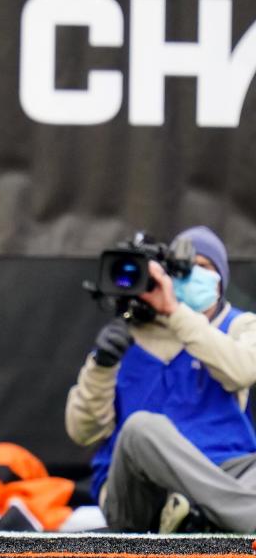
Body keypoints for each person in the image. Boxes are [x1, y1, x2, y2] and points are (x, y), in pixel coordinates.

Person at [66, 226, 256, 533]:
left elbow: (243, 370)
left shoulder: (240, 326)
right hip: (141, 495)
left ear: (220, 279)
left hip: (225, 473)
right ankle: (233, 520)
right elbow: (82, 432)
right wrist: (102, 365)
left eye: (203, 267)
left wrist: (176, 313)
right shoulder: (127, 335)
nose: (192, 274)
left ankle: (198, 517)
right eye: (183, 269)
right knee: (141, 428)